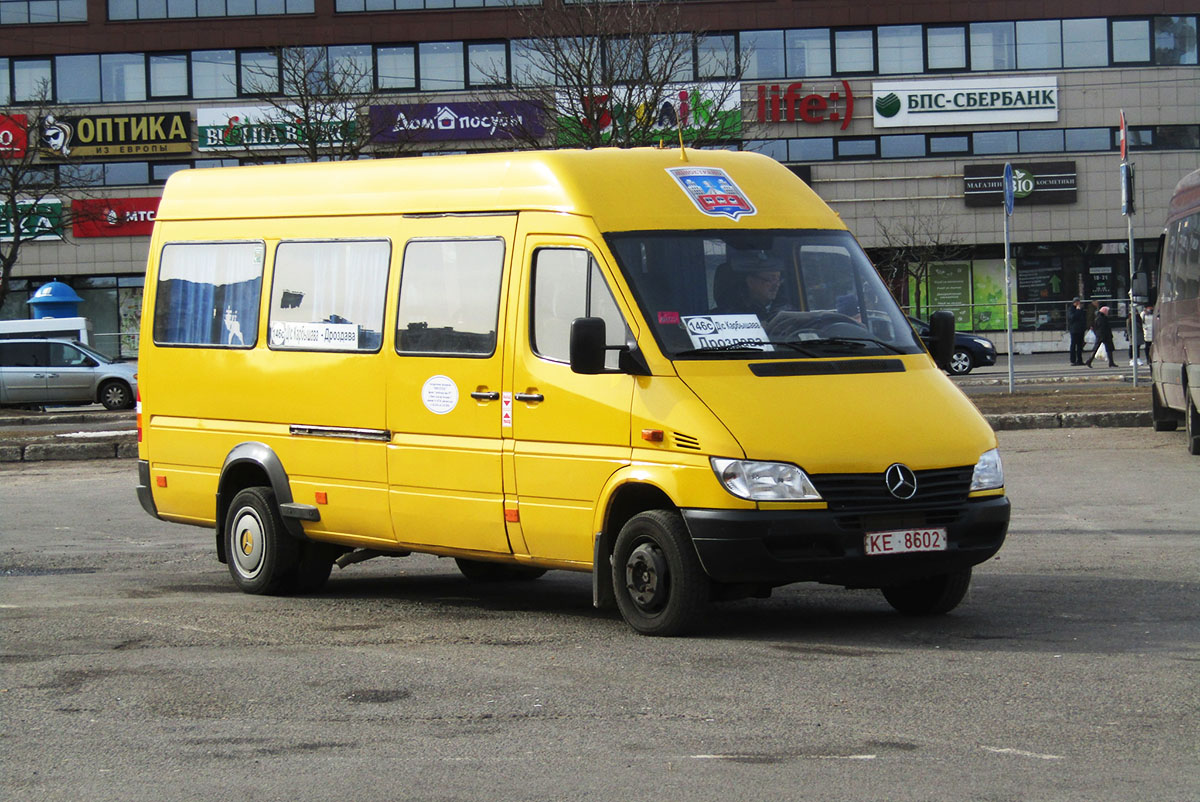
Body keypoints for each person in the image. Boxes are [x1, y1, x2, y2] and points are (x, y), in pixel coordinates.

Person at [713, 251, 787, 319]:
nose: (777, 285)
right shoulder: (724, 317)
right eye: (771, 279)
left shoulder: (787, 311)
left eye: (779, 279)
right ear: (750, 282)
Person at [1067, 297, 1087, 365]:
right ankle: (1073, 360)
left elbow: (1083, 318)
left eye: (1079, 302)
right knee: (1073, 345)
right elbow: (1072, 318)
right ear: (1074, 303)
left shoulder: (1081, 309)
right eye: (1077, 302)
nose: (1078, 304)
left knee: (1080, 346)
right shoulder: (1071, 309)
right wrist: (1078, 310)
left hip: (1080, 329)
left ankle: (1080, 360)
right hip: (1074, 330)